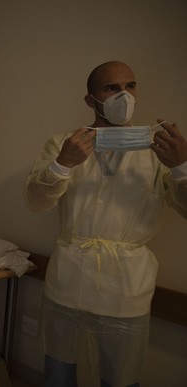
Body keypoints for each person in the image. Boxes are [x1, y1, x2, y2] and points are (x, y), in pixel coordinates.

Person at [24, 60, 187, 387]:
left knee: (120, 379)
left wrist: (183, 166)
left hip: (126, 288)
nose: (123, 95)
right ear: (90, 99)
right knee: (58, 372)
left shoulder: (158, 150)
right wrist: (62, 165)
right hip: (68, 279)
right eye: (111, 88)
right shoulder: (63, 143)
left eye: (130, 86)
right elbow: (36, 201)